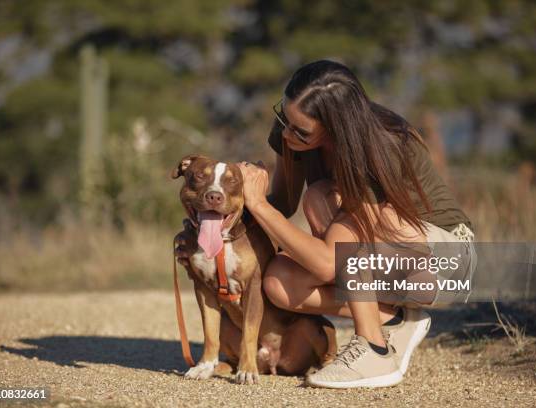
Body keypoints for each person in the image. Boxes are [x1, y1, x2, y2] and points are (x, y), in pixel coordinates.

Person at [176, 60, 476, 388]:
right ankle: (397, 319)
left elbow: (324, 261)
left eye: (300, 131)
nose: (287, 134)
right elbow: (283, 205)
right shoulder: (292, 131)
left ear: (336, 128)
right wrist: (212, 233)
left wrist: (257, 204)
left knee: (321, 199)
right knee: (278, 282)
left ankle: (373, 349)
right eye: (284, 119)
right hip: (384, 258)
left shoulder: (379, 146)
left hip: (446, 261)